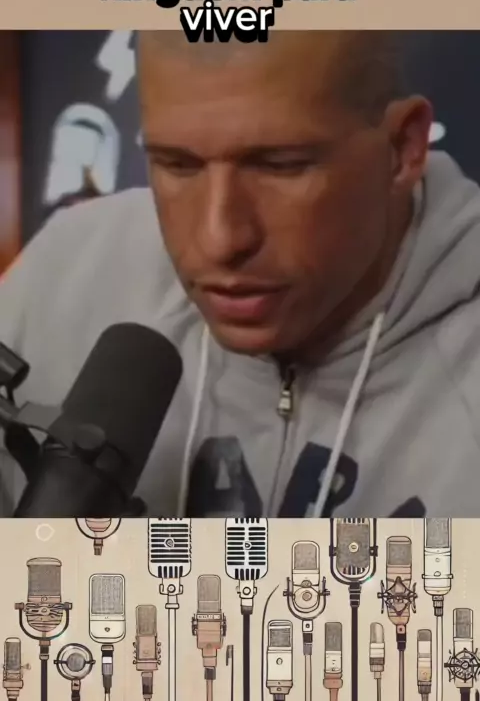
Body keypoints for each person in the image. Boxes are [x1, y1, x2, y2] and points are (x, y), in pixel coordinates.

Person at [0, 30, 479, 519]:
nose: (220, 240)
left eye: (280, 166)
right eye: (178, 164)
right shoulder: (66, 272)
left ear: (401, 147)